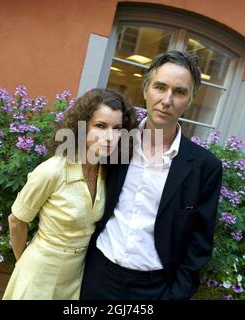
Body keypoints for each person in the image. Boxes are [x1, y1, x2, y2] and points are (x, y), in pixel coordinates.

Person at [80, 51, 223, 300]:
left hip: (154, 289)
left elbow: (199, 245)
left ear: (189, 100)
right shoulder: (115, 143)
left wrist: (175, 295)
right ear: (146, 89)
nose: (166, 100)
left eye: (179, 92)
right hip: (97, 275)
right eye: (160, 87)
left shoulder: (205, 167)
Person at [3, 89, 137, 299]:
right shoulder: (52, 171)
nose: (110, 137)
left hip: (76, 280)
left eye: (117, 128)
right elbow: (16, 221)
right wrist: (23, 263)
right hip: (39, 275)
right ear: (81, 127)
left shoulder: (107, 174)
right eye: (101, 126)